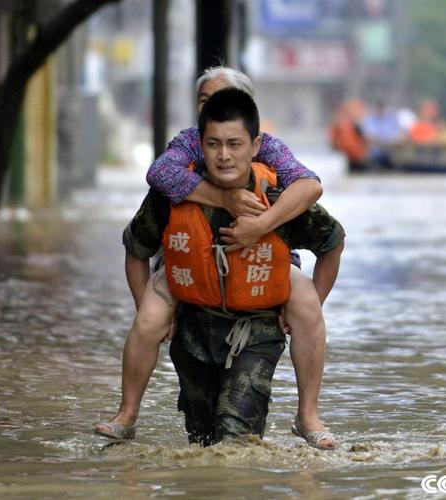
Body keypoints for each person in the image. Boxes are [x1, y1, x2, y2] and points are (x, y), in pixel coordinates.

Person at [97, 68, 344, 448]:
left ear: (253, 140)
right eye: (214, 139)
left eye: (235, 142)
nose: (224, 153)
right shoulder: (185, 151)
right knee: (150, 321)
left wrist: (262, 224)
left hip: (262, 271)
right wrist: (224, 198)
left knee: (307, 307)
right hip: (190, 271)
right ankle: (127, 414)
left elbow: (316, 198)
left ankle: (308, 414)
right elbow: (144, 219)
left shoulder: (272, 163)